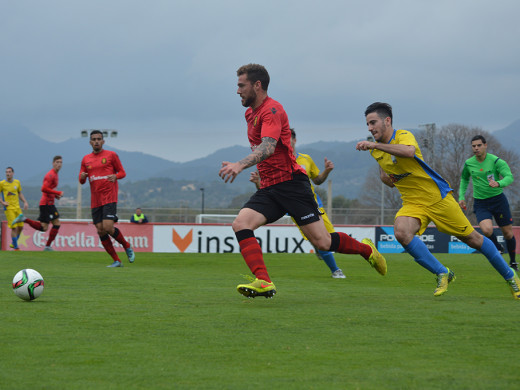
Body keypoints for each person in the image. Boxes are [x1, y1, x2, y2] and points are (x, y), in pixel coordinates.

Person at [219, 63, 387, 299]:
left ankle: (366, 249)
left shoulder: (272, 110)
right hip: (270, 188)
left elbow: (267, 147)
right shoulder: (250, 113)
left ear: (257, 85)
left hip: (292, 184)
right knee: (240, 224)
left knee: (323, 242)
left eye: (241, 85)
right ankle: (264, 281)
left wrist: (240, 164)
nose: (237, 91)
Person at [355, 102, 520, 299]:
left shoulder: (402, 136)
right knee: (401, 232)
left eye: (373, 122)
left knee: (474, 240)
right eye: (367, 124)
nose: (370, 128)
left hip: (437, 199)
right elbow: (387, 177)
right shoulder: (376, 151)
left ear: (387, 120)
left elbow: (409, 152)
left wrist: (374, 144)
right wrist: (386, 177)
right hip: (412, 203)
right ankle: (443, 272)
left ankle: (512, 278)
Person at [249, 128, 345, 278]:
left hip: (313, 203)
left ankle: (323, 251)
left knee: (329, 238)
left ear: (294, 140)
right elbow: (265, 189)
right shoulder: (274, 162)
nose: (285, 143)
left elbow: (318, 180)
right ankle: (336, 271)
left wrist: (327, 171)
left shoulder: (305, 159)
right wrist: (257, 182)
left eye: (288, 139)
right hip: (294, 208)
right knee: (319, 240)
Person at [458, 135, 517, 270]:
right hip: (480, 202)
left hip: (498, 201)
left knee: (508, 233)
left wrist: (499, 183)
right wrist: (461, 196)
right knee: (486, 229)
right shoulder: (469, 163)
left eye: (479, 145)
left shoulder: (496, 161)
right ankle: (497, 247)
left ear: (485, 145)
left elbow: (509, 177)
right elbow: (464, 179)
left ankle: (513, 262)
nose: (476, 148)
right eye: (474, 146)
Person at [79, 130, 135, 267]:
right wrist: (82, 177)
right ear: (90, 142)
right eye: (94, 139)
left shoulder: (111, 155)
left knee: (108, 227)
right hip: (95, 199)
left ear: (103, 141)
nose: (96, 141)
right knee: (100, 229)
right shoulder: (86, 159)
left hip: (109, 196)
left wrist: (116, 176)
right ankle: (117, 260)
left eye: (99, 139)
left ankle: (126, 245)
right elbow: (81, 180)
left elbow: (122, 172)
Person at [12, 156, 64, 251]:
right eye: (57, 162)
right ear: (53, 163)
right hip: (47, 204)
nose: (59, 164)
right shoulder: (51, 175)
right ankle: (47, 246)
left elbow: (49, 189)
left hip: (48, 203)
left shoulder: (56, 174)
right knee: (56, 223)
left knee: (44, 228)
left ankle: (24, 219)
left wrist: (55, 195)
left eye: (60, 162)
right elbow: (43, 189)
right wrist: (57, 193)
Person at [0, 167, 28, 250]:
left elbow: (19, 193)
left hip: (17, 208)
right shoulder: (2, 183)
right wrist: (2, 202)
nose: (7, 173)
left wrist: (25, 202)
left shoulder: (17, 182)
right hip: (9, 209)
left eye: (9, 172)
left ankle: (13, 243)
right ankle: (16, 247)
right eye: (6, 172)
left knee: (21, 227)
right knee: (14, 227)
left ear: (13, 173)